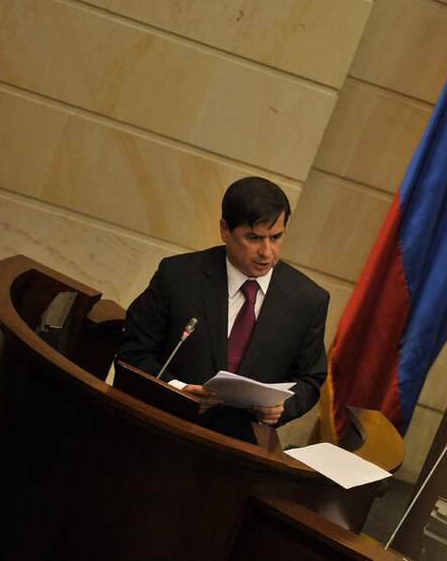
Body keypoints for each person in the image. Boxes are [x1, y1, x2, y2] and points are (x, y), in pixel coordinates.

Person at [118, 176, 329, 441]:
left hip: (240, 448)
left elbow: (310, 378)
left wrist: (283, 407)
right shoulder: (178, 276)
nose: (267, 252)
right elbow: (132, 353)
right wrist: (177, 391)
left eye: (276, 237)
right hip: (161, 428)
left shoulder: (308, 300)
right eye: (254, 238)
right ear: (225, 230)